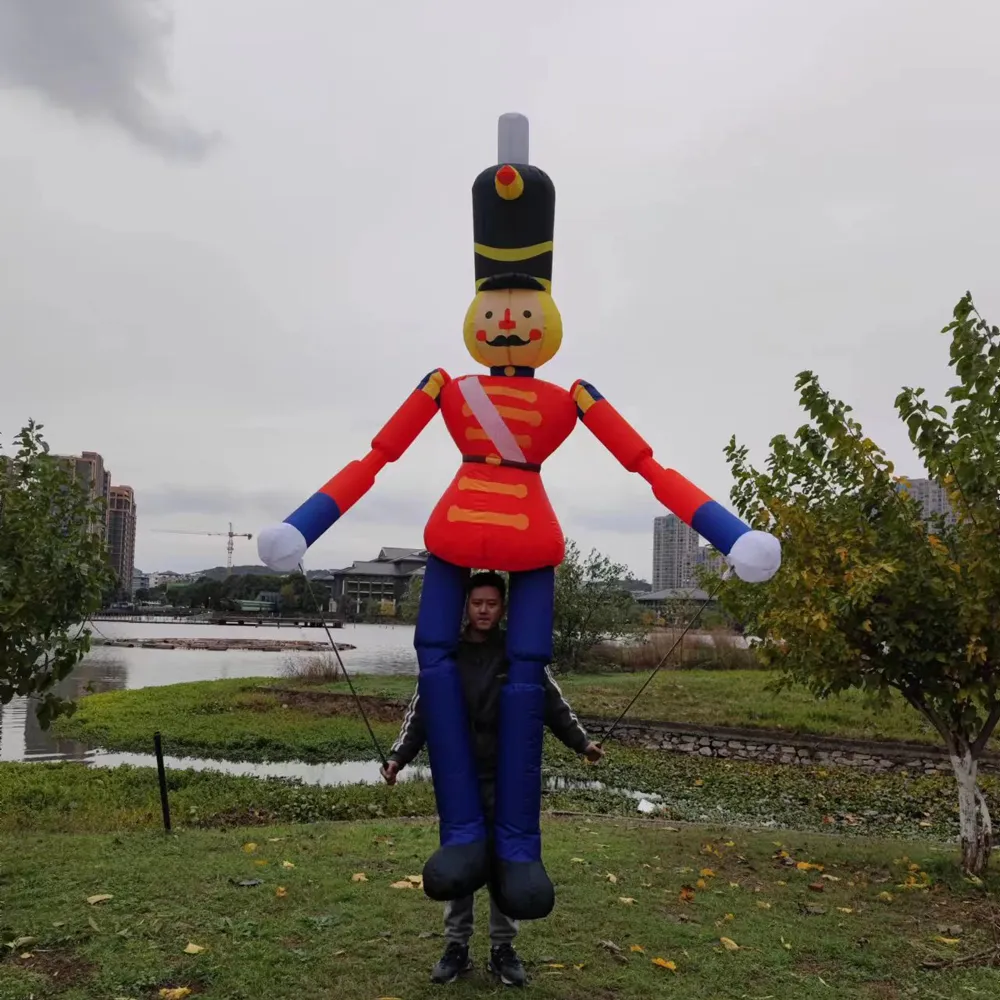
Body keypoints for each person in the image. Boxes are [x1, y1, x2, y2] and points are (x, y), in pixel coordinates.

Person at [381, 570, 604, 987]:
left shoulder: (518, 656)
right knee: (462, 860)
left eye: (492, 603)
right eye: (477, 603)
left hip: (508, 780)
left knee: (507, 860)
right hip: (460, 780)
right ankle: (456, 947)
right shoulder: (446, 656)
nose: (484, 610)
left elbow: (553, 704)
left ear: (503, 608)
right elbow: (421, 712)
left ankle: (503, 948)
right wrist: (397, 757)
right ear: (465, 606)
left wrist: (582, 743)